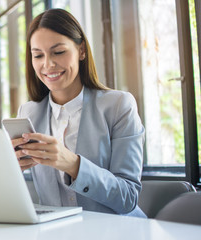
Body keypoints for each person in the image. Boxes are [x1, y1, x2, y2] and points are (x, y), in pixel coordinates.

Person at [11, 8, 146, 217]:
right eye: (38, 55)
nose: (48, 64)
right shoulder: (28, 113)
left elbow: (128, 197)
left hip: (119, 231)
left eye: (58, 52)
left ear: (81, 50)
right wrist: (10, 167)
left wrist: (72, 164)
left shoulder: (119, 106)